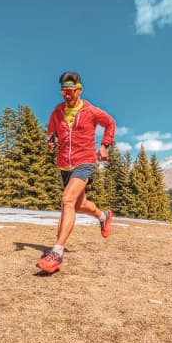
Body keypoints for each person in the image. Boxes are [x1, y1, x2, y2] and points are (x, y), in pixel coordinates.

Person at [37, 71, 116, 274]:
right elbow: (52, 132)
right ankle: (103, 215)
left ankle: (56, 252)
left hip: (85, 162)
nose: (67, 95)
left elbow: (110, 123)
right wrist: (51, 140)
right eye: (64, 91)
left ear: (79, 90)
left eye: (70, 91)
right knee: (79, 204)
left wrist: (105, 145)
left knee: (67, 200)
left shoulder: (91, 111)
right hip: (64, 164)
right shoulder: (57, 112)